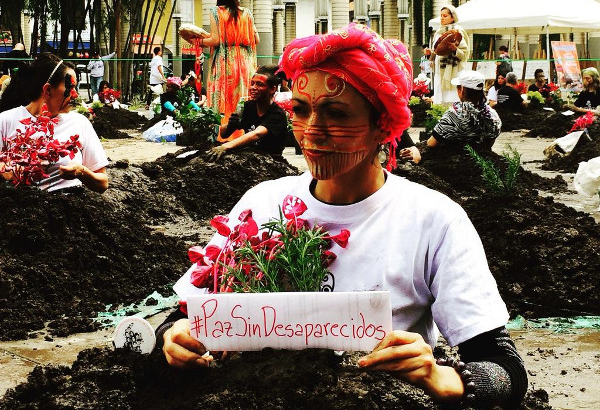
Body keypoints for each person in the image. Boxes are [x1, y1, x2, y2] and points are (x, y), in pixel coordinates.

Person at [159, 23, 527, 409]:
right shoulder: (262, 203)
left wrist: (442, 376)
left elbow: (506, 368)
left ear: (382, 124)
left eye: (336, 113)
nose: (312, 133)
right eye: (300, 110)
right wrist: (176, 335)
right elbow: (180, 316)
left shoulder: (433, 220)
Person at [0, 53, 108, 193]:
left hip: (69, 208)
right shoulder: (6, 121)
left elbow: (103, 183)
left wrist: (81, 172)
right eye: (70, 87)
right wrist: (6, 169)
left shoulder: (80, 123)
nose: (75, 94)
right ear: (48, 89)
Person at [197, 0, 259, 138]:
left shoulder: (216, 12)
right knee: (242, 98)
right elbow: (256, 39)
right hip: (244, 62)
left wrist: (199, 41)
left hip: (226, 62)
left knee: (223, 98)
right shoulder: (246, 13)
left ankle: (222, 136)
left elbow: (216, 40)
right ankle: (243, 135)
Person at [207, 67, 288, 159]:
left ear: (272, 89)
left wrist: (225, 147)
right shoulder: (248, 106)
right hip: (249, 155)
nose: (253, 88)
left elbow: (257, 134)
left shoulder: (277, 114)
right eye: (252, 84)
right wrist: (231, 124)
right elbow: (223, 134)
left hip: (270, 159)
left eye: (259, 84)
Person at [427, 70, 502, 150]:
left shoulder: (453, 115)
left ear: (462, 89)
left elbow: (431, 143)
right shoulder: (493, 115)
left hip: (454, 160)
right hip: (482, 159)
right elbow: (490, 143)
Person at [432, 5, 470, 105]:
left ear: (452, 17)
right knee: (440, 97)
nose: (442, 18)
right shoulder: (438, 32)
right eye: (441, 16)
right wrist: (429, 54)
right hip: (439, 70)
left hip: (453, 69)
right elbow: (435, 52)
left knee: (452, 97)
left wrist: (455, 49)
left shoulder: (458, 31)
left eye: (445, 16)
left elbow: (464, 54)